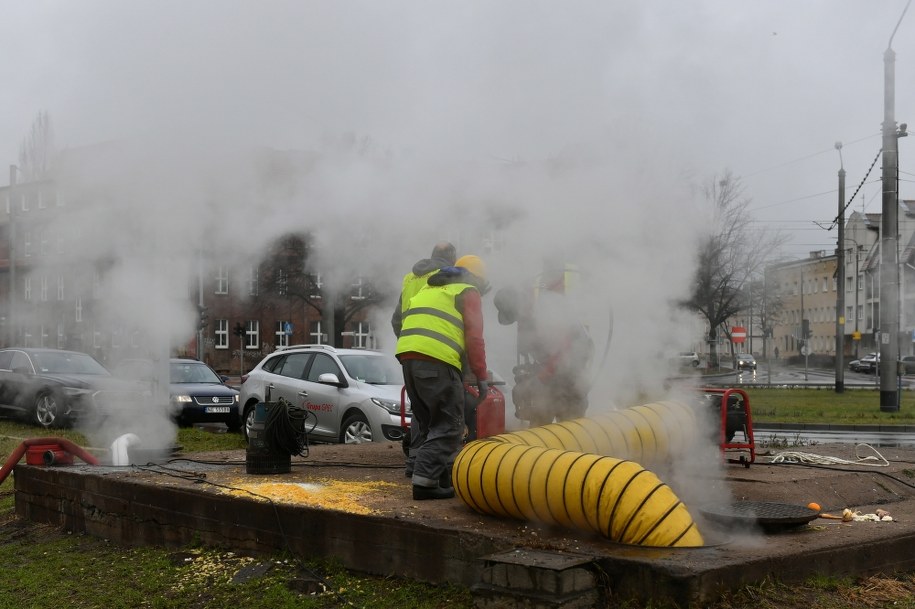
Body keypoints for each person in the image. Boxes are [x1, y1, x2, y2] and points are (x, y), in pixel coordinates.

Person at [395, 254, 489, 500]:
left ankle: (441, 479)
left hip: (409, 359)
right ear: (476, 278)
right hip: (437, 360)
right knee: (451, 426)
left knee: (430, 424)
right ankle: (424, 482)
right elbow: (474, 339)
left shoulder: (431, 288)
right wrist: (481, 376)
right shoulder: (468, 291)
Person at [494, 259, 593, 426]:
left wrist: (542, 377)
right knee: (540, 412)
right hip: (554, 367)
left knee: (570, 420)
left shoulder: (547, 309)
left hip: (571, 366)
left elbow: (563, 349)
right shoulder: (527, 311)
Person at [391, 241, 457, 338]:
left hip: (408, 343)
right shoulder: (448, 276)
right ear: (453, 260)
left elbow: (396, 321)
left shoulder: (409, 279)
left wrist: (405, 339)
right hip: (438, 341)